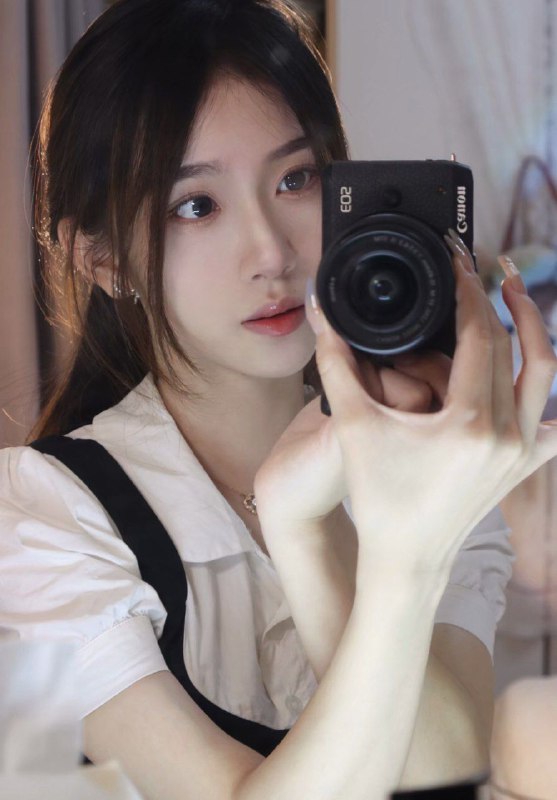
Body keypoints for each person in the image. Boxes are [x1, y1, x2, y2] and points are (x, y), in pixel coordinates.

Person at [0, 1, 556, 798]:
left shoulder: (429, 463)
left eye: (295, 180)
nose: (271, 252)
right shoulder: (44, 515)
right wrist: (398, 558)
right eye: (196, 205)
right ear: (104, 261)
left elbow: (436, 777)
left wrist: (311, 534)